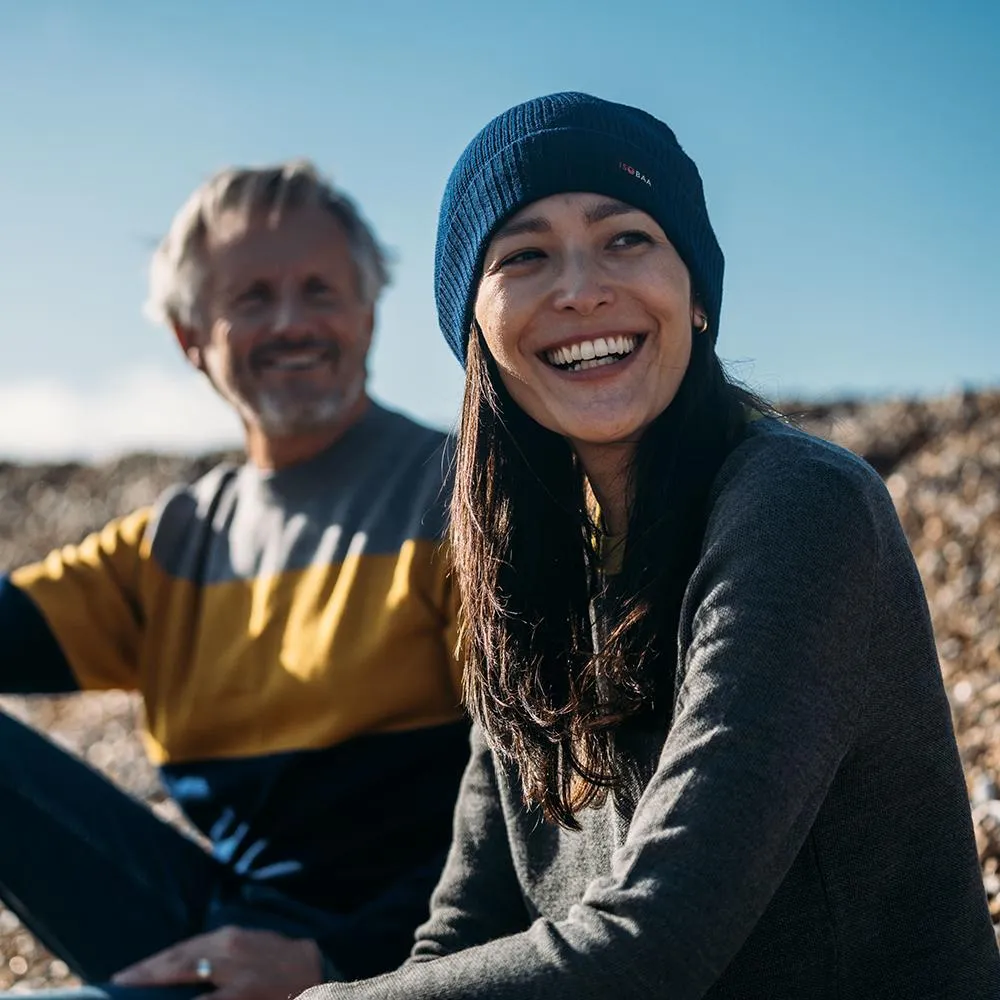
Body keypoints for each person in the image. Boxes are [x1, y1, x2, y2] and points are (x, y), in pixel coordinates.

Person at [299, 93, 1000, 999]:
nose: (581, 287)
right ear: (476, 332)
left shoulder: (800, 508)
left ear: (697, 296)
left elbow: (658, 940)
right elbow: (465, 931)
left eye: (626, 238)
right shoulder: (530, 576)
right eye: (525, 255)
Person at [0, 161, 469, 999]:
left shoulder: (462, 498)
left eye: (320, 290)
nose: (292, 322)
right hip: (216, 932)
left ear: (367, 314)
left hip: (420, 958)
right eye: (252, 297)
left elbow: (544, 816)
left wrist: (340, 965)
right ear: (190, 336)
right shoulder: (172, 544)